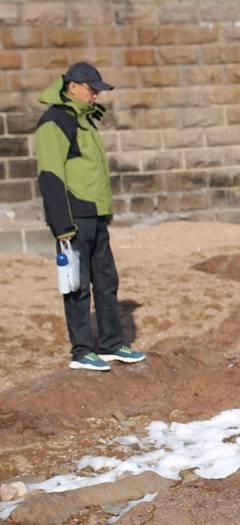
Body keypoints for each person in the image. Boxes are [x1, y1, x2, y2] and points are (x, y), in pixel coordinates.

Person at [35, 62, 145, 371]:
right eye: (91, 88)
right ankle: (82, 351)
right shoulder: (54, 122)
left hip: (95, 216)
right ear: (72, 87)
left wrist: (104, 212)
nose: (96, 94)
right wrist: (61, 226)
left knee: (107, 281)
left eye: (98, 89)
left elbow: (91, 172)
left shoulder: (84, 120)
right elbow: (50, 175)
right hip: (73, 218)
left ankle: (111, 344)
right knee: (77, 286)